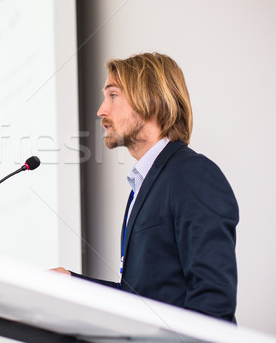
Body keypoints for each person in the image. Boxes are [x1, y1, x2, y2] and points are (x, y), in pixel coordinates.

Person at [53, 52, 238, 322]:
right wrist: (71, 283)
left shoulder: (193, 174)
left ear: (151, 100)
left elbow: (213, 304)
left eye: (113, 95)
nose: (101, 110)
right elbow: (138, 299)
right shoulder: (141, 187)